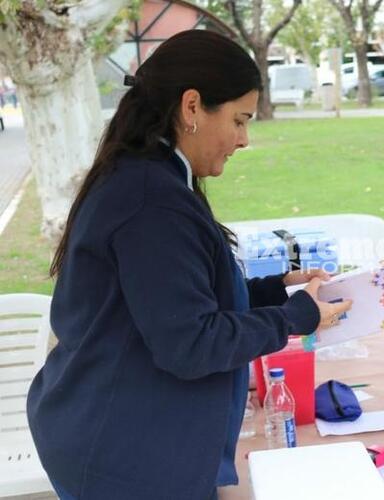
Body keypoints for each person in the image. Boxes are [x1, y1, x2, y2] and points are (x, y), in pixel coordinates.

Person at [26, 30, 351, 500]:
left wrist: (278, 287)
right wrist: (297, 316)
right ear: (193, 106)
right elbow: (190, 344)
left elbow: (178, 294)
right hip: (122, 453)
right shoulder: (150, 201)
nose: (244, 140)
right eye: (239, 120)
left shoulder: (151, 177)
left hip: (119, 429)